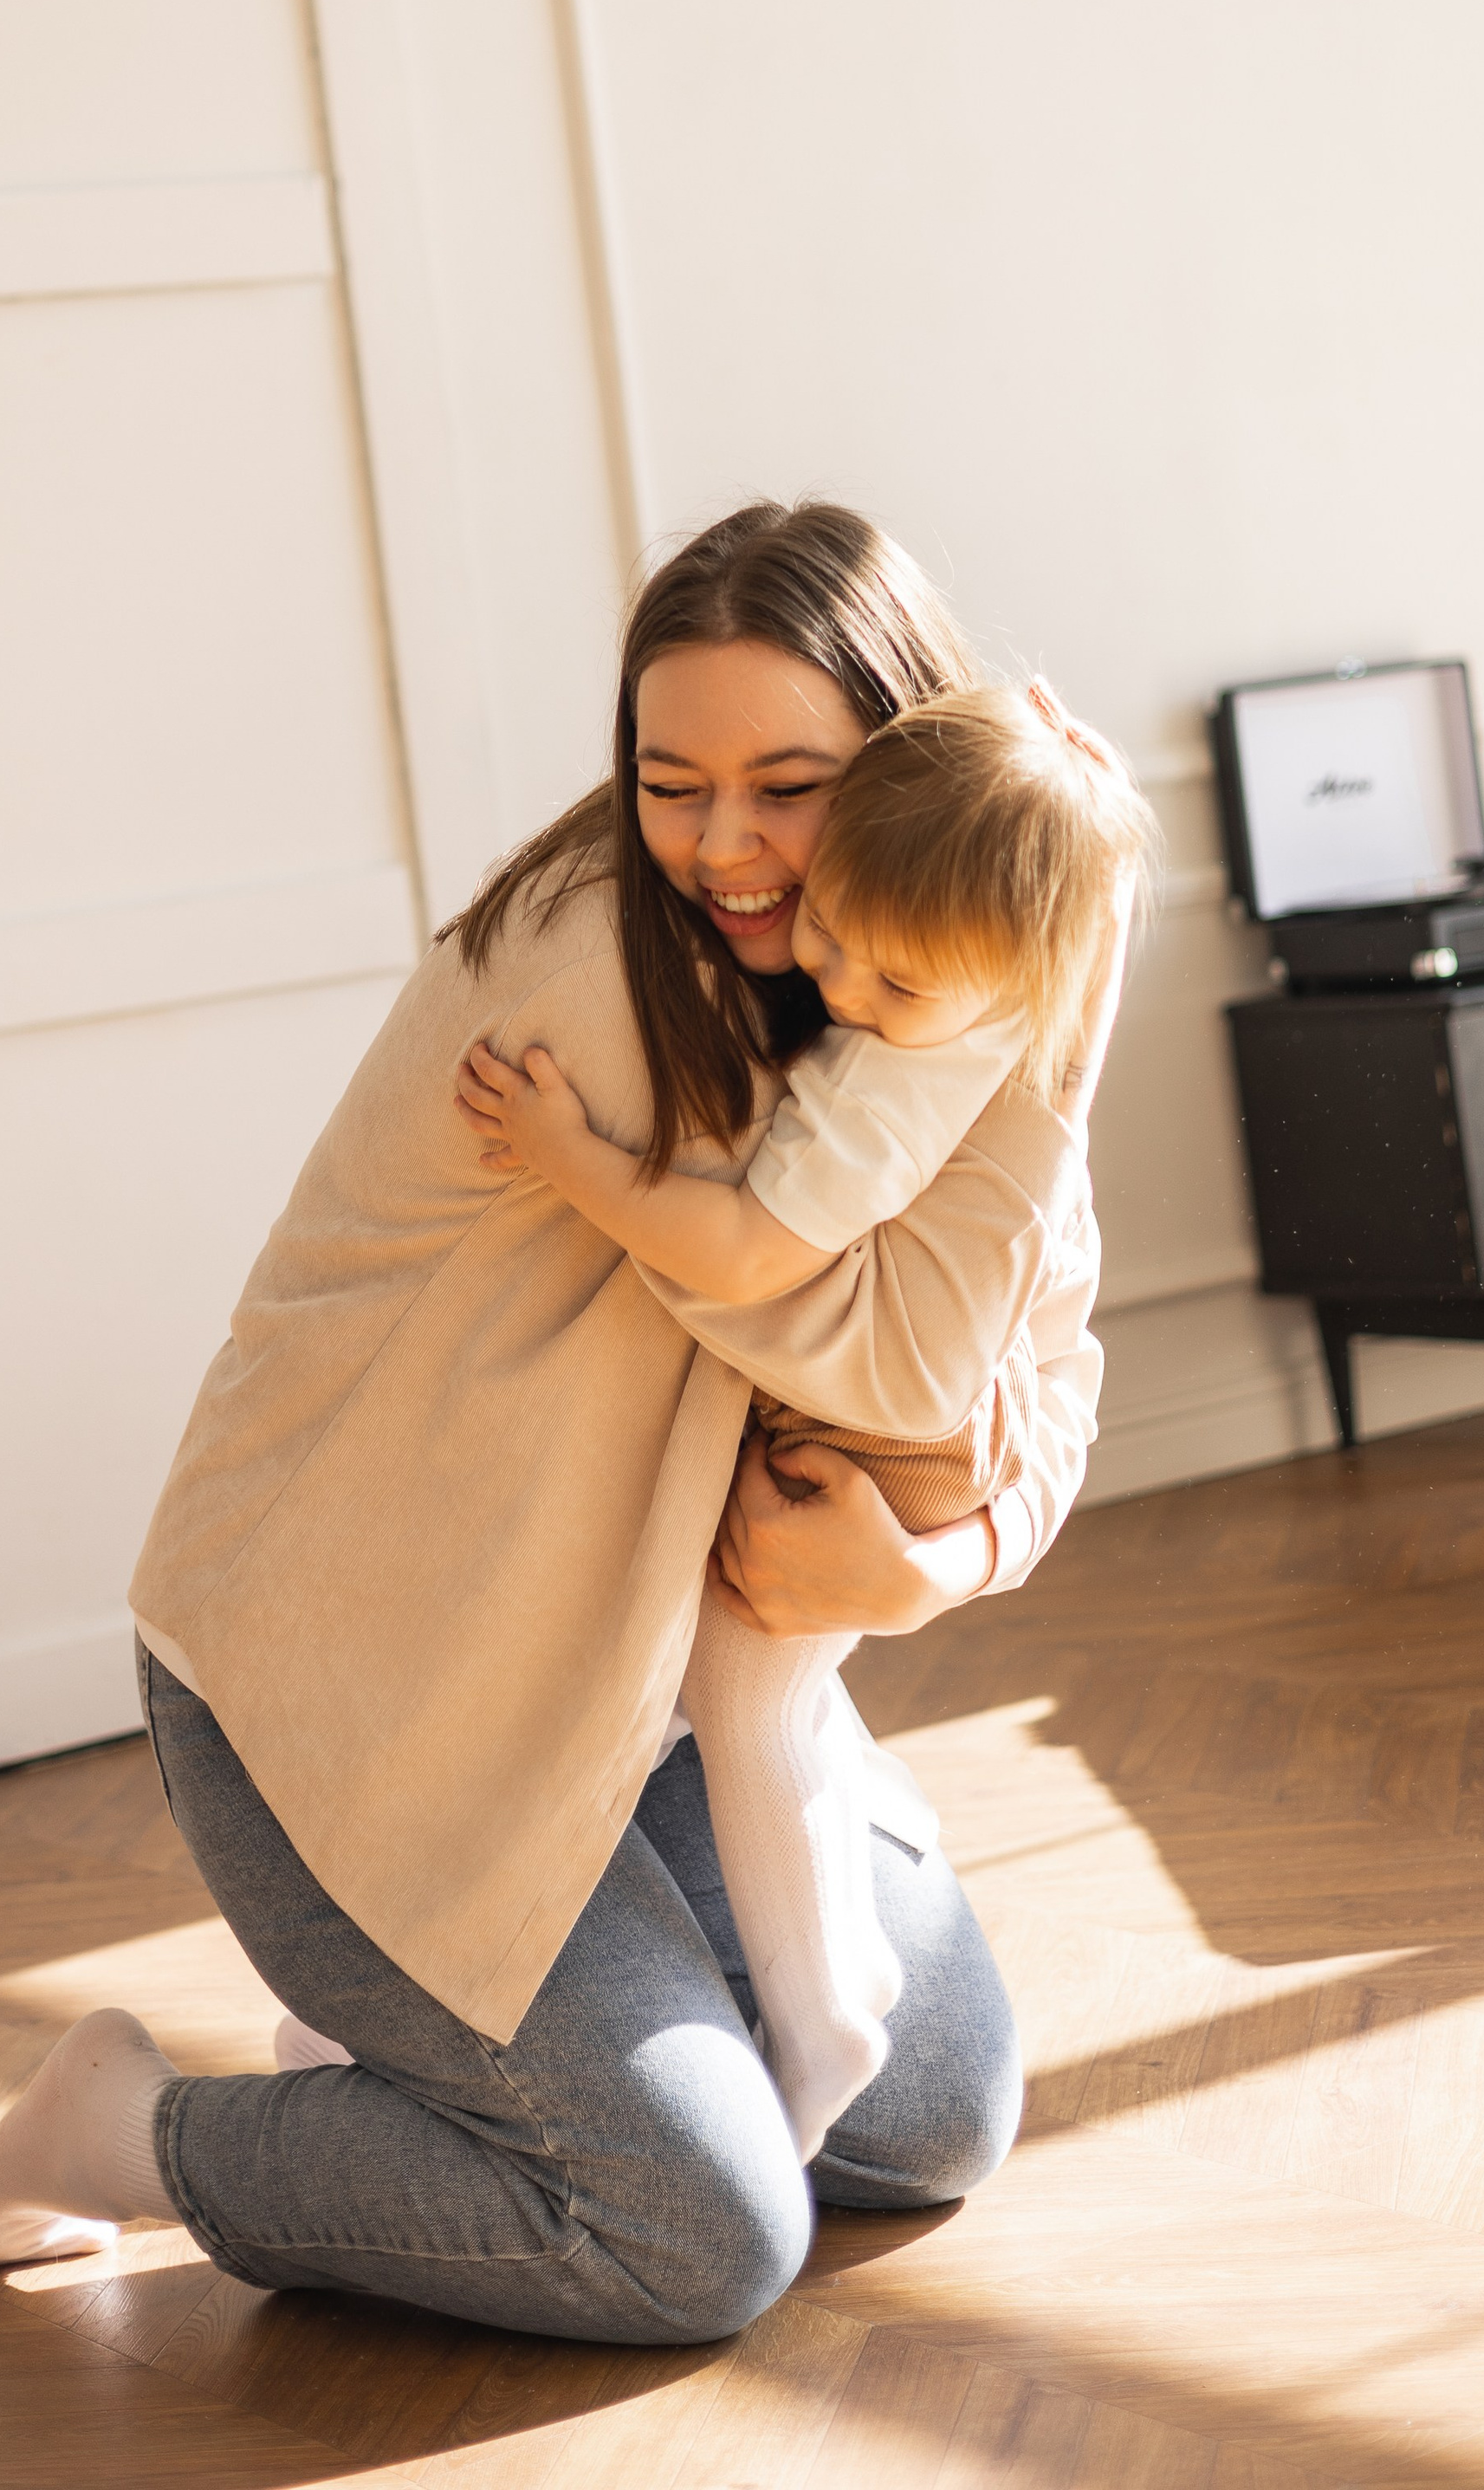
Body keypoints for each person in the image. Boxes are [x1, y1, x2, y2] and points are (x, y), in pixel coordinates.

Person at [0, 501, 1126, 2347]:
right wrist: (1078, 1007)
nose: (724, 848)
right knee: (694, 2236)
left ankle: (469, 2053)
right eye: (672, 782)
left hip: (630, 1682)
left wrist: (942, 1555)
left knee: (932, 2109)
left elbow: (1041, 1352)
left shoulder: (922, 962)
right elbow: (888, 1367)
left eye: (787, 785)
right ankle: (130, 2129)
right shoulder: (602, 992)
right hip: (361, 1692)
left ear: (909, 770)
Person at [456, 680, 1150, 2161]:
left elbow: (743, 1255)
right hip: (917, 1441)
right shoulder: (1000, 989)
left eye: (893, 986)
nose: (840, 990)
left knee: (749, 1694)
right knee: (735, 1693)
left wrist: (568, 1155)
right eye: (830, 932)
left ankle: (826, 2010)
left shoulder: (901, 1091)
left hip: (888, 1453)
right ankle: (818, 1968)